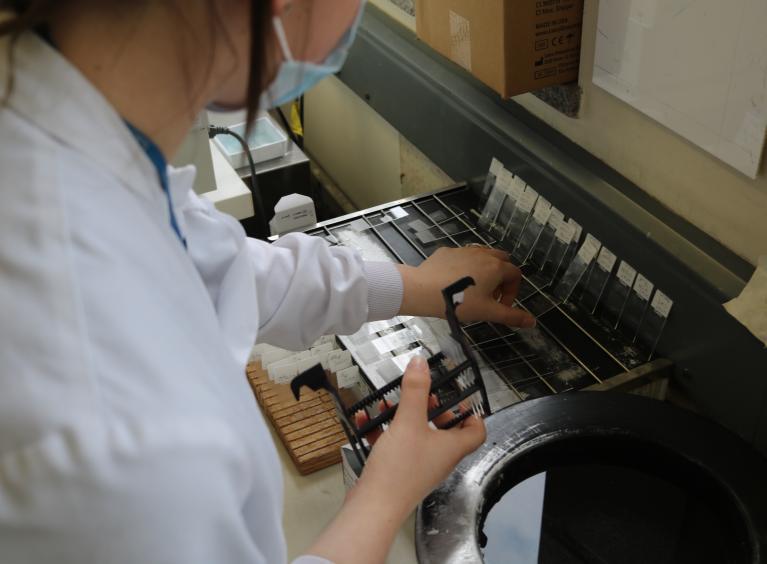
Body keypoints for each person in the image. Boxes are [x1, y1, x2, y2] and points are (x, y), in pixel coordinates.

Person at [0, 1, 535, 562]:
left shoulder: (59, 123)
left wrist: (419, 287)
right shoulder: (118, 428)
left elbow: (218, 264)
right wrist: (385, 494)